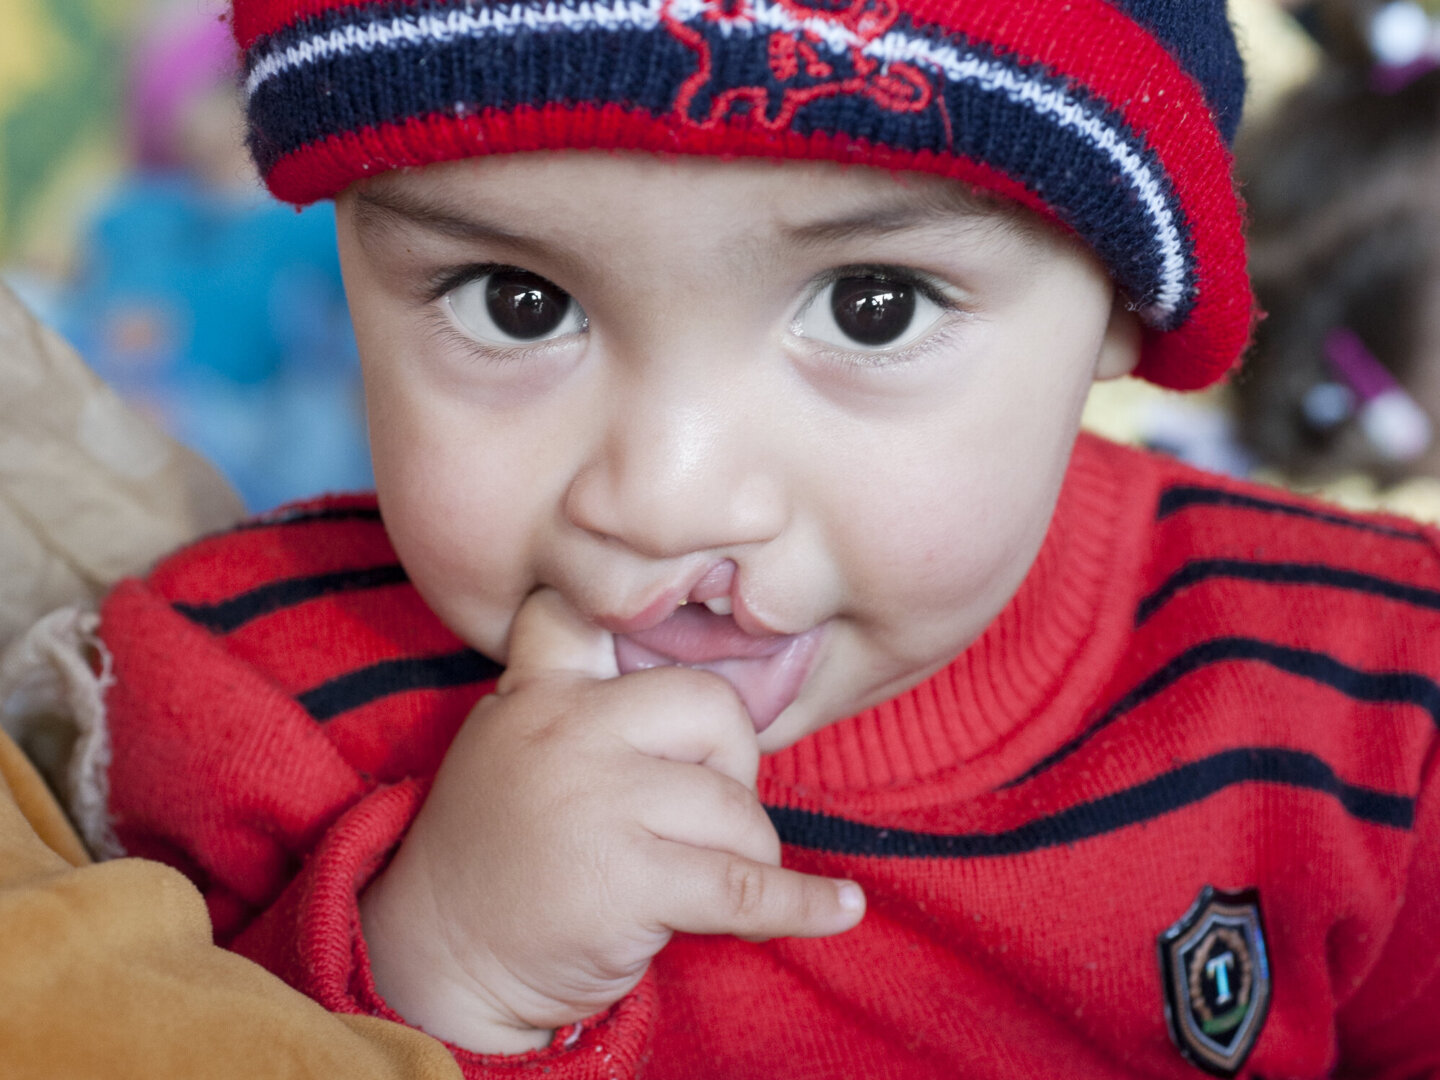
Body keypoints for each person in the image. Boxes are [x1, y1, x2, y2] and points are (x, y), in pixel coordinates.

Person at [65, 0, 1438, 1076]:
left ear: (1126, 312)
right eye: (515, 301)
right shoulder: (242, 706)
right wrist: (436, 974)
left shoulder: (1373, 700)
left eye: (875, 307)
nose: (665, 497)